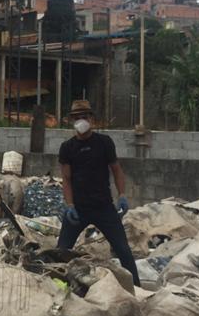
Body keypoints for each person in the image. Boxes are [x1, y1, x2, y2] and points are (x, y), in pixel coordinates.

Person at [57, 99, 140, 286]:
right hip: (79, 210)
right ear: (72, 121)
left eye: (84, 117)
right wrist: (69, 205)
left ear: (91, 119)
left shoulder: (104, 143)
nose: (81, 121)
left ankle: (137, 289)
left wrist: (122, 195)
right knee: (61, 251)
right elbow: (67, 179)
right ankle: (57, 289)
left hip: (104, 208)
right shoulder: (67, 148)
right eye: (77, 118)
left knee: (123, 251)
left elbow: (117, 170)